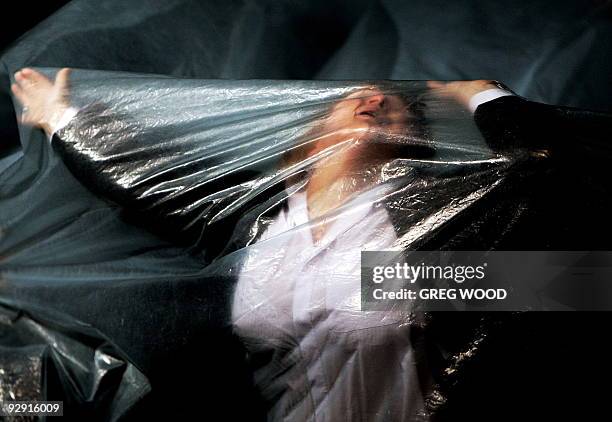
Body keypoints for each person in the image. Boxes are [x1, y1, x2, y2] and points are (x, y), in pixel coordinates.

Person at [9, 67, 607, 421]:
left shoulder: (432, 217)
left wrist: (483, 95)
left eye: (394, 106)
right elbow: (158, 186)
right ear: (313, 127)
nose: (375, 100)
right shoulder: (264, 222)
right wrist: (63, 118)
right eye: (358, 97)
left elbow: (574, 262)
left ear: (413, 142)